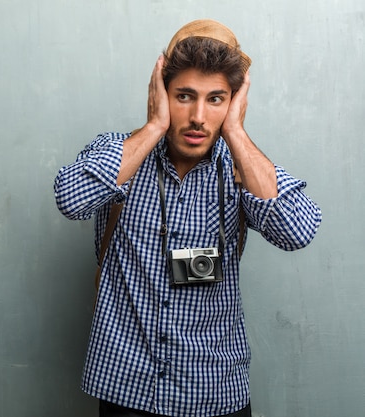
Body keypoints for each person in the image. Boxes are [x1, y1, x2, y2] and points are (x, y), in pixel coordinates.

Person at [53, 19, 322, 417]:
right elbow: (70, 199)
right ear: (161, 92)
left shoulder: (242, 169)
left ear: (234, 102)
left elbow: (298, 230)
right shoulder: (122, 154)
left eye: (216, 99)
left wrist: (237, 134)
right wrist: (155, 126)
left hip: (213, 389)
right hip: (128, 388)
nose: (198, 116)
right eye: (184, 96)